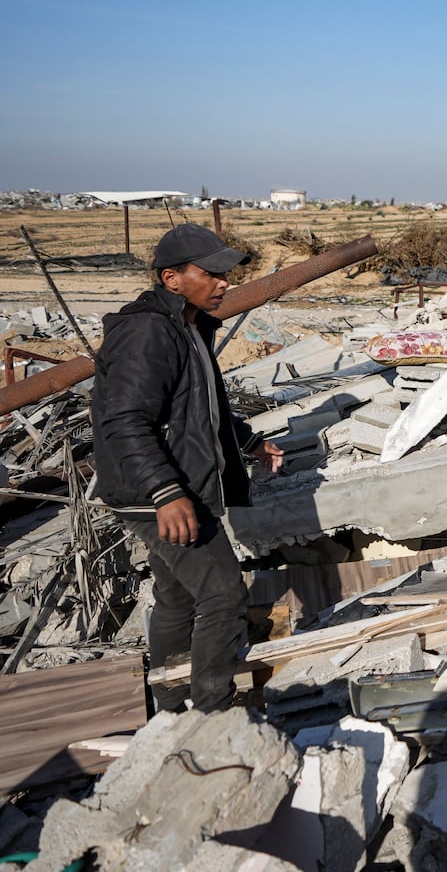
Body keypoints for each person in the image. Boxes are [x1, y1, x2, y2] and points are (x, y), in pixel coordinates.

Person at [92, 224, 284, 712]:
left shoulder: (190, 325)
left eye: (226, 274)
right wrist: (165, 493)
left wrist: (250, 441)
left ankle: (171, 705)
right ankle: (211, 715)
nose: (223, 283)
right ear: (171, 278)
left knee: (177, 596)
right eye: (211, 273)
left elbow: (202, 407)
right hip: (158, 493)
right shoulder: (148, 331)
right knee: (223, 596)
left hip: (176, 486)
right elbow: (124, 420)